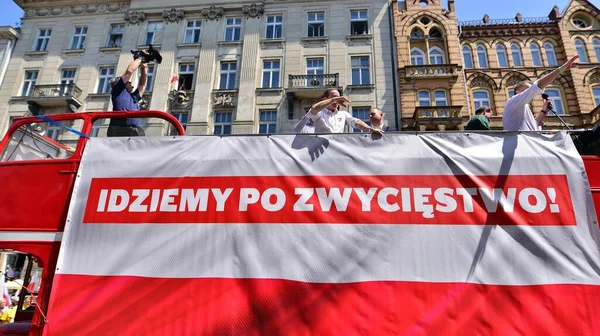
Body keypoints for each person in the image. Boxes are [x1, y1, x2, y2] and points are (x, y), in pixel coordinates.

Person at [502, 55, 579, 131]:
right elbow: (538, 85)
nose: (530, 92)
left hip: (528, 141)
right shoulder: (513, 101)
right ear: (517, 92)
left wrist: (543, 111)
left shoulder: (523, 108)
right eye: (527, 89)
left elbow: (532, 126)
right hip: (521, 142)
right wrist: (562, 69)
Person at [307, 89, 384, 135]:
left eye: (338, 98)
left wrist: (371, 130)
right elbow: (313, 109)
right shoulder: (319, 113)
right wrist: (333, 100)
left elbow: (356, 122)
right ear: (325, 99)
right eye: (333, 97)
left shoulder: (343, 114)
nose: (337, 101)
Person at [107, 53, 149, 137]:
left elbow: (142, 86)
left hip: (132, 130)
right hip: (119, 129)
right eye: (128, 82)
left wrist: (144, 68)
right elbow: (129, 71)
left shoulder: (133, 97)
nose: (131, 83)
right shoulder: (118, 91)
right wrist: (140, 58)